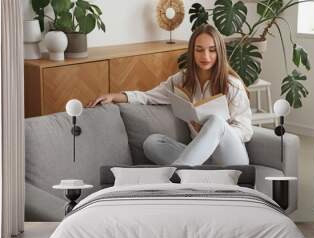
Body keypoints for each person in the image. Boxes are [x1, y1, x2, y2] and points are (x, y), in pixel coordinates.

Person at [86, 24, 253, 166]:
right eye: (199, 50)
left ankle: (178, 172)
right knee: (152, 143)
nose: (206, 56)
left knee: (216, 122)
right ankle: (200, 175)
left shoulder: (232, 85)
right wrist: (116, 96)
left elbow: (246, 130)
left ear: (220, 52)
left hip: (231, 159)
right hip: (200, 159)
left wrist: (213, 131)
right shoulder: (182, 79)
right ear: (192, 51)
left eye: (212, 50)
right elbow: (148, 96)